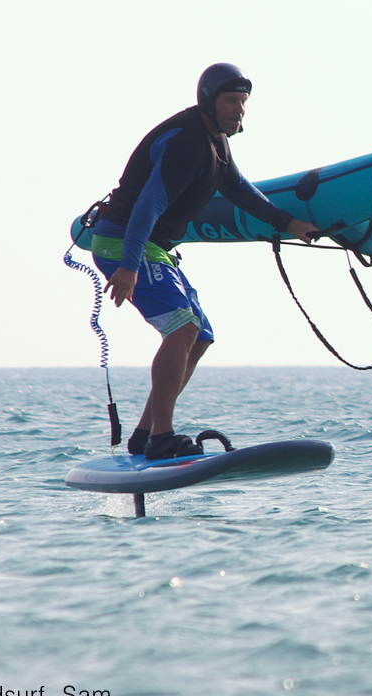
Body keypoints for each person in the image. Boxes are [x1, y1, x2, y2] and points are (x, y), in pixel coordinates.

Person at [88, 63, 320, 459]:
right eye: (231, 101)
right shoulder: (187, 141)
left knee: (199, 336)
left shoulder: (216, 142)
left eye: (243, 102)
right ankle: (162, 437)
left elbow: (240, 190)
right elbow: (148, 204)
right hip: (124, 241)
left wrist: (287, 223)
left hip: (154, 246)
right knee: (182, 328)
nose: (239, 109)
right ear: (209, 101)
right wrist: (128, 265)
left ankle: (146, 433)